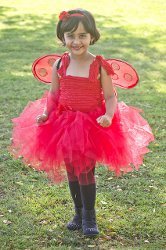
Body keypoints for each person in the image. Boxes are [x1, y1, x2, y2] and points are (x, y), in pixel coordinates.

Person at [10, 9, 154, 237]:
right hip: (64, 124)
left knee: (86, 172)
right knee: (71, 172)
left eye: (82, 36)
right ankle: (77, 213)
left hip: (91, 126)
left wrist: (108, 115)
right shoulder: (60, 64)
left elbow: (110, 96)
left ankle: (89, 216)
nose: (76, 41)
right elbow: (54, 94)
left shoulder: (98, 65)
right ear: (62, 38)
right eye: (71, 36)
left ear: (92, 36)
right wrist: (46, 113)